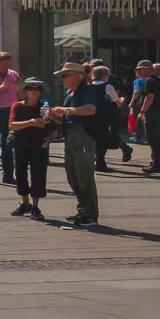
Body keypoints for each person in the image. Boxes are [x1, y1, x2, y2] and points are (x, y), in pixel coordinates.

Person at [48, 61, 100, 227]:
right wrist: (50, 115)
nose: (62, 79)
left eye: (65, 75)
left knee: (84, 175)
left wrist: (67, 111)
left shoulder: (88, 90)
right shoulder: (70, 93)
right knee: (73, 176)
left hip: (83, 135)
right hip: (71, 134)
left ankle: (90, 214)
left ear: (78, 76)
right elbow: (65, 118)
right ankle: (83, 210)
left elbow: (91, 109)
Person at [7, 78, 52, 219]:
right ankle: (25, 203)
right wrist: (31, 122)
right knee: (20, 173)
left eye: (37, 89)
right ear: (25, 91)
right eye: (31, 88)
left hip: (40, 144)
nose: (34, 91)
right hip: (21, 143)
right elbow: (12, 125)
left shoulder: (45, 107)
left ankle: (36, 207)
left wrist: (50, 139)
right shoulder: (17, 106)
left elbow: (54, 127)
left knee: (38, 174)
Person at [133, 61, 160, 175]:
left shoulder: (150, 81)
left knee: (153, 139)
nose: (138, 72)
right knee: (156, 138)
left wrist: (142, 111)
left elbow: (150, 97)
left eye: (140, 69)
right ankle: (156, 161)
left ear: (147, 69)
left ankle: (157, 165)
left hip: (153, 113)